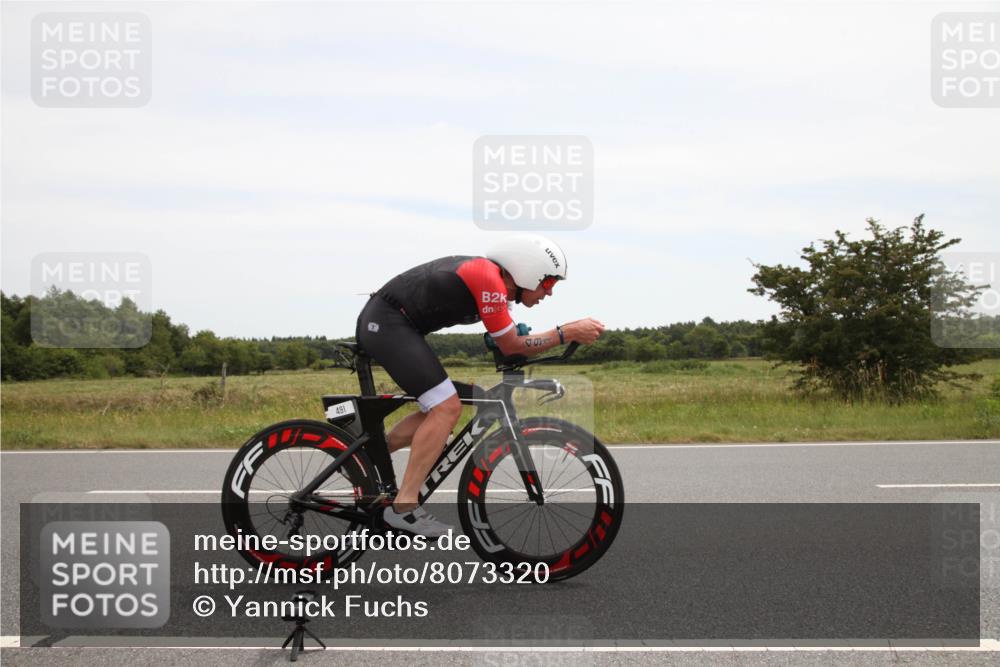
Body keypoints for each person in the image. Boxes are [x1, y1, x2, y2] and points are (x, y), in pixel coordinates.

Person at [355, 234, 605, 537]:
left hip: (395, 325)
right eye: (548, 283)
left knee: (448, 410)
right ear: (527, 271)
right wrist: (566, 332)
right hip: (387, 324)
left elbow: (507, 339)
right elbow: (512, 344)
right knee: (446, 407)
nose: (547, 293)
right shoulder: (488, 279)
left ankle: (365, 456)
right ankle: (404, 508)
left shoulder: (493, 286)